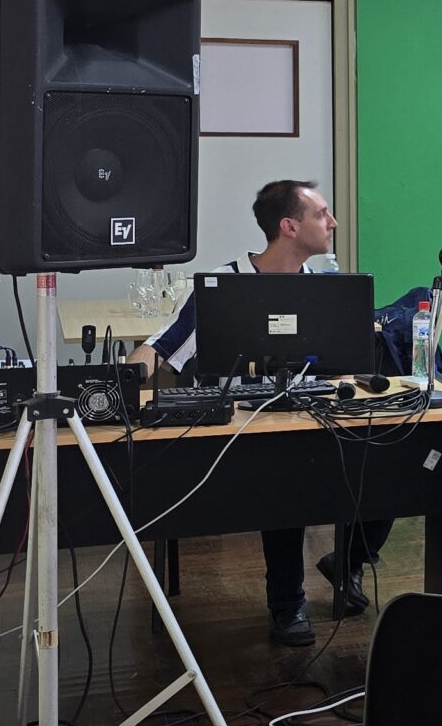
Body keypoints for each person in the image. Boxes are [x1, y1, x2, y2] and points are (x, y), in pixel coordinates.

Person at [131, 179, 390, 645]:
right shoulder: (223, 285)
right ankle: (287, 604)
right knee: (286, 473)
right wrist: (122, 383)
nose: (332, 222)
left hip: (313, 422)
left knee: (390, 454)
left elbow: (347, 367)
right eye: (322, 214)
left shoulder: (327, 291)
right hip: (240, 434)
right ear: (289, 226)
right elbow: (160, 349)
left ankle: (348, 561)